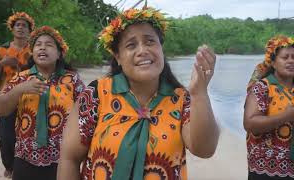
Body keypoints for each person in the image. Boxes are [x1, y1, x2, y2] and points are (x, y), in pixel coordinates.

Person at [58, 6, 219, 179]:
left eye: (150, 41)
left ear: (161, 49)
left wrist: (200, 94)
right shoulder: (97, 94)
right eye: (131, 45)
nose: (142, 50)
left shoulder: (180, 99)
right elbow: (69, 159)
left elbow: (204, 149)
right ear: (118, 57)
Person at [0, 26, 85, 180]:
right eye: (38, 44)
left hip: (63, 160)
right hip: (25, 159)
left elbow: (86, 114)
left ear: (59, 54)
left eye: (49, 44)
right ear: (32, 52)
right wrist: (20, 90)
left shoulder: (73, 80)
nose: (43, 47)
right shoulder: (20, 78)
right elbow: (1, 109)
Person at [0, 12, 35, 178]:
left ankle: (26, 169)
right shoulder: (2, 49)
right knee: (5, 137)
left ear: (29, 30)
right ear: (12, 29)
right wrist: (2, 63)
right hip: (7, 99)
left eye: (24, 25)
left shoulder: (34, 49)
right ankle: (10, 166)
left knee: (29, 136)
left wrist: (24, 66)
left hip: (30, 99)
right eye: (17, 25)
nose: (20, 28)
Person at [244, 35, 294, 179]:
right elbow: (250, 123)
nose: (291, 61)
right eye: (285, 57)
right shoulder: (262, 87)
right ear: (272, 62)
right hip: (265, 171)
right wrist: (286, 116)